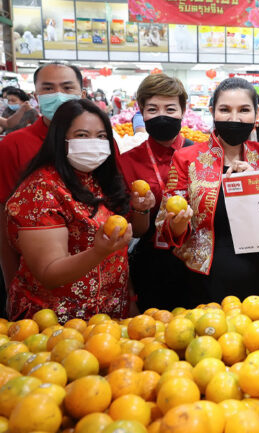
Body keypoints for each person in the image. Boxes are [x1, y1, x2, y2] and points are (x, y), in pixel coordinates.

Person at [5, 99, 154, 321]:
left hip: (110, 317)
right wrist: (98, 252)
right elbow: (49, 273)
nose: (93, 143)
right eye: (82, 135)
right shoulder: (41, 190)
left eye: (101, 136)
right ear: (60, 139)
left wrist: (142, 210)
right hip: (57, 323)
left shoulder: (101, 180)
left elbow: (131, 237)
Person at [156, 77, 259, 305]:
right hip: (206, 277)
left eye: (244, 110)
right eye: (225, 110)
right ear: (213, 112)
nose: (234, 118)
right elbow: (165, 227)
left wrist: (255, 181)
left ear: (257, 114)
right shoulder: (187, 159)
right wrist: (178, 223)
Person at [0, 63, 84, 304]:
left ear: (82, 95)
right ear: (36, 96)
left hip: (101, 279)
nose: (58, 94)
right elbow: (4, 219)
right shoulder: (12, 146)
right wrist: (9, 283)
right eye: (48, 88)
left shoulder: (100, 143)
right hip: (36, 285)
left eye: (67, 88)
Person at [116, 73, 196, 311]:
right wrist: (142, 209)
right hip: (153, 263)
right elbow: (136, 231)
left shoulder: (202, 156)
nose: (162, 116)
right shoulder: (128, 161)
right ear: (141, 112)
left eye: (170, 109)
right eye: (153, 109)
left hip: (199, 259)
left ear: (183, 110)